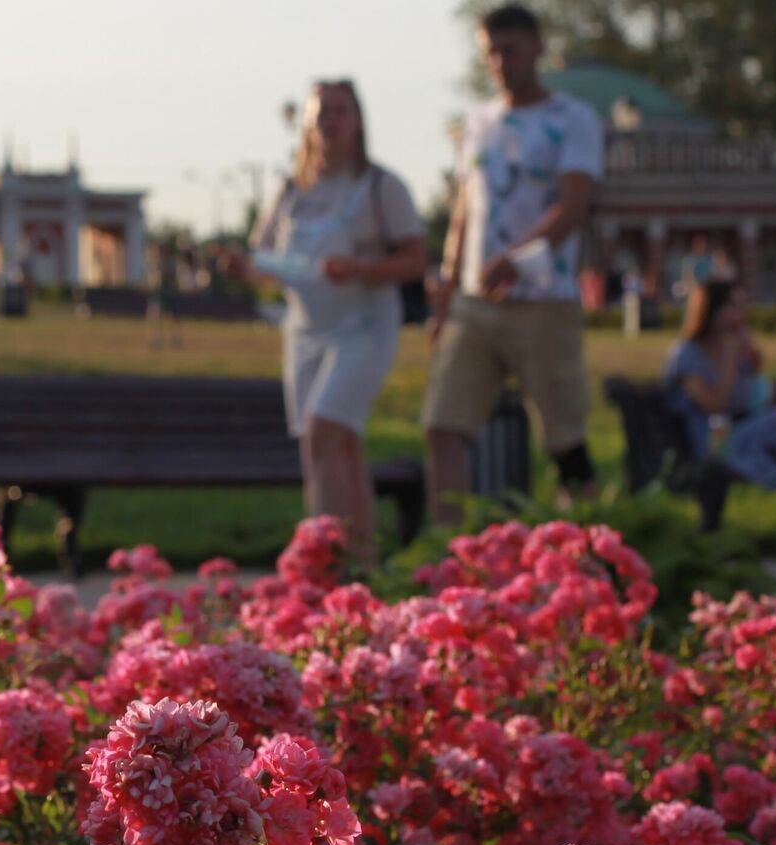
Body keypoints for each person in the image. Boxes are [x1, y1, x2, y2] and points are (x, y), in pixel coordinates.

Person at [424, 3, 604, 525]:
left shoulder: (572, 119)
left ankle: (589, 553)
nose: (501, 63)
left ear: (538, 49)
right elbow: (465, 209)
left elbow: (574, 204)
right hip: (475, 305)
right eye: (491, 53)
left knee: (564, 439)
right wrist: (448, 287)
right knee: (443, 425)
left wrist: (517, 258)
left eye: (511, 50)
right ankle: (448, 549)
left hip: (544, 301)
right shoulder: (478, 123)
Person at [235, 79, 426, 568]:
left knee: (323, 431)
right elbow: (268, 260)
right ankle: (364, 564)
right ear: (306, 123)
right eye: (321, 114)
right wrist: (243, 267)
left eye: (341, 112)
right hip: (306, 329)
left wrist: (360, 269)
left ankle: (323, 565)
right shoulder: (290, 190)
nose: (331, 122)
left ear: (358, 121)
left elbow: (415, 259)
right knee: (338, 444)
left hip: (364, 326)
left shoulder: (381, 185)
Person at [664, 281, 776, 550]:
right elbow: (716, 405)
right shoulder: (686, 354)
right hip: (713, 445)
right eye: (734, 306)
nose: (742, 314)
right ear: (712, 310)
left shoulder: (729, 347)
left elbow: (748, 394)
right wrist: (732, 355)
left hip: (739, 431)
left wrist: (750, 358)